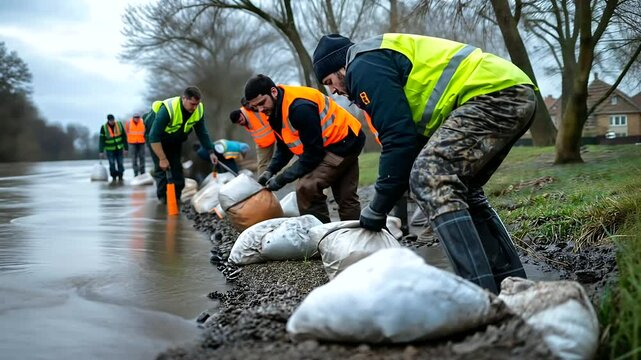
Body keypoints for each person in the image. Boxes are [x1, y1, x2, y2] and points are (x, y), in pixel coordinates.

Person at [312, 33, 536, 293]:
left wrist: (377, 207)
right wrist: (389, 202)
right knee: (465, 190)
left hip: (492, 96)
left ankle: (476, 292)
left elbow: (398, 138)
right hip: (511, 91)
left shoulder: (362, 65)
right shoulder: (376, 60)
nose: (334, 91)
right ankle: (511, 283)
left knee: (430, 178)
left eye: (330, 82)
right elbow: (409, 148)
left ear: (341, 66)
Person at [244, 74, 365, 224]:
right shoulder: (275, 109)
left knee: (306, 187)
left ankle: (321, 236)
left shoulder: (299, 108)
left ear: (273, 92)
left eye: (262, 103)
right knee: (346, 196)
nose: (260, 109)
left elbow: (313, 154)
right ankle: (353, 239)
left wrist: (282, 179)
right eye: (255, 107)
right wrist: (271, 170)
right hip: (340, 140)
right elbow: (284, 146)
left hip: (344, 143)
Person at [145, 86, 218, 204]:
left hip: (174, 139)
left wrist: (210, 151)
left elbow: (202, 132)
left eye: (197, 104)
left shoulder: (198, 109)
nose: (194, 107)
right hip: (156, 139)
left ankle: (176, 199)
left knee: (177, 167)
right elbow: (154, 137)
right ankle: (164, 201)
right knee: (162, 168)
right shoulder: (168, 109)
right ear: (184, 98)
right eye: (192, 104)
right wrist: (162, 159)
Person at [229, 99, 276, 174]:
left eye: (240, 120)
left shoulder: (251, 108)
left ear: (241, 114)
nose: (240, 123)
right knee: (262, 164)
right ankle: (263, 183)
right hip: (262, 143)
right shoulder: (245, 117)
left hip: (276, 133)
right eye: (238, 123)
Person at [99, 114, 128, 182]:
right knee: (111, 163)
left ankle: (120, 176)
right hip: (110, 149)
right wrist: (101, 151)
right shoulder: (104, 127)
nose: (112, 121)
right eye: (110, 120)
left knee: (120, 163)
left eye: (113, 120)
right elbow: (101, 140)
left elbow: (124, 136)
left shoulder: (119, 125)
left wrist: (126, 148)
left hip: (119, 148)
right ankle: (114, 177)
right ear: (108, 120)